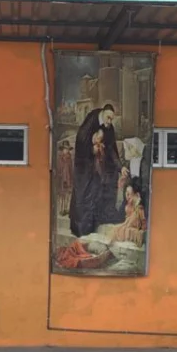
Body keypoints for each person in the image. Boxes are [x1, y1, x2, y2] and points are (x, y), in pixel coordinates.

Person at [68, 104, 129, 237]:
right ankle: (81, 231)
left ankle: (94, 227)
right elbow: (80, 142)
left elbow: (112, 150)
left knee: (99, 194)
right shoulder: (90, 121)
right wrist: (91, 150)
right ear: (103, 113)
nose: (109, 121)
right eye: (108, 118)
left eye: (111, 119)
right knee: (84, 198)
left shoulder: (109, 127)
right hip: (84, 168)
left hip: (97, 169)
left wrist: (120, 167)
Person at [109, 180, 146, 247]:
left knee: (124, 230)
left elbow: (143, 224)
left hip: (134, 230)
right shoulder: (129, 206)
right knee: (116, 229)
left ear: (136, 195)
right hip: (127, 227)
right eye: (126, 193)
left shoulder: (140, 208)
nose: (127, 196)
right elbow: (126, 221)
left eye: (129, 194)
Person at [57, 140, 74, 216]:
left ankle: (66, 208)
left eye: (67, 149)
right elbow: (59, 168)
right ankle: (61, 209)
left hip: (68, 178)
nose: (66, 150)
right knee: (61, 195)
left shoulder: (70, 158)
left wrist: (71, 177)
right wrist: (60, 175)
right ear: (62, 150)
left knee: (67, 194)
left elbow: (71, 169)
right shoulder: (60, 158)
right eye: (64, 149)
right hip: (61, 178)